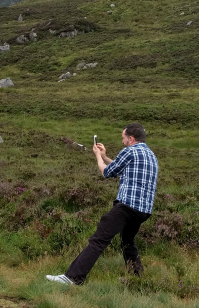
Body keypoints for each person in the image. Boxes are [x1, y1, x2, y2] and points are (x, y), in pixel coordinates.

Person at [47, 122, 159, 285]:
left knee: (99, 239)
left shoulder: (130, 151)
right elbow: (124, 168)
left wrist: (98, 157)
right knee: (128, 241)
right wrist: (106, 156)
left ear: (131, 138)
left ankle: (73, 277)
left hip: (127, 207)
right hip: (144, 211)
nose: (122, 142)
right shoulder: (151, 155)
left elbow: (107, 172)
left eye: (124, 138)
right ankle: (137, 279)